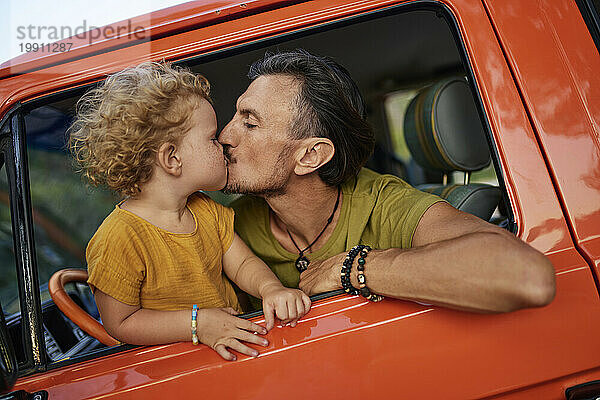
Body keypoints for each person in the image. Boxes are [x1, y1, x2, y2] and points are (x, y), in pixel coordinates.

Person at [219, 49, 556, 313]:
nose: (225, 135)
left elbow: (527, 276)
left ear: (310, 156)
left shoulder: (384, 203)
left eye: (249, 124)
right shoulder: (226, 225)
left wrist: (352, 267)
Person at [68, 61, 310, 361]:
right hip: (175, 370)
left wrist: (270, 289)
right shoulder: (118, 238)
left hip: (234, 350)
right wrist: (198, 323)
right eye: (210, 138)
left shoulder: (205, 210)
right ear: (172, 158)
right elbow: (121, 323)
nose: (222, 141)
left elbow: (243, 264)